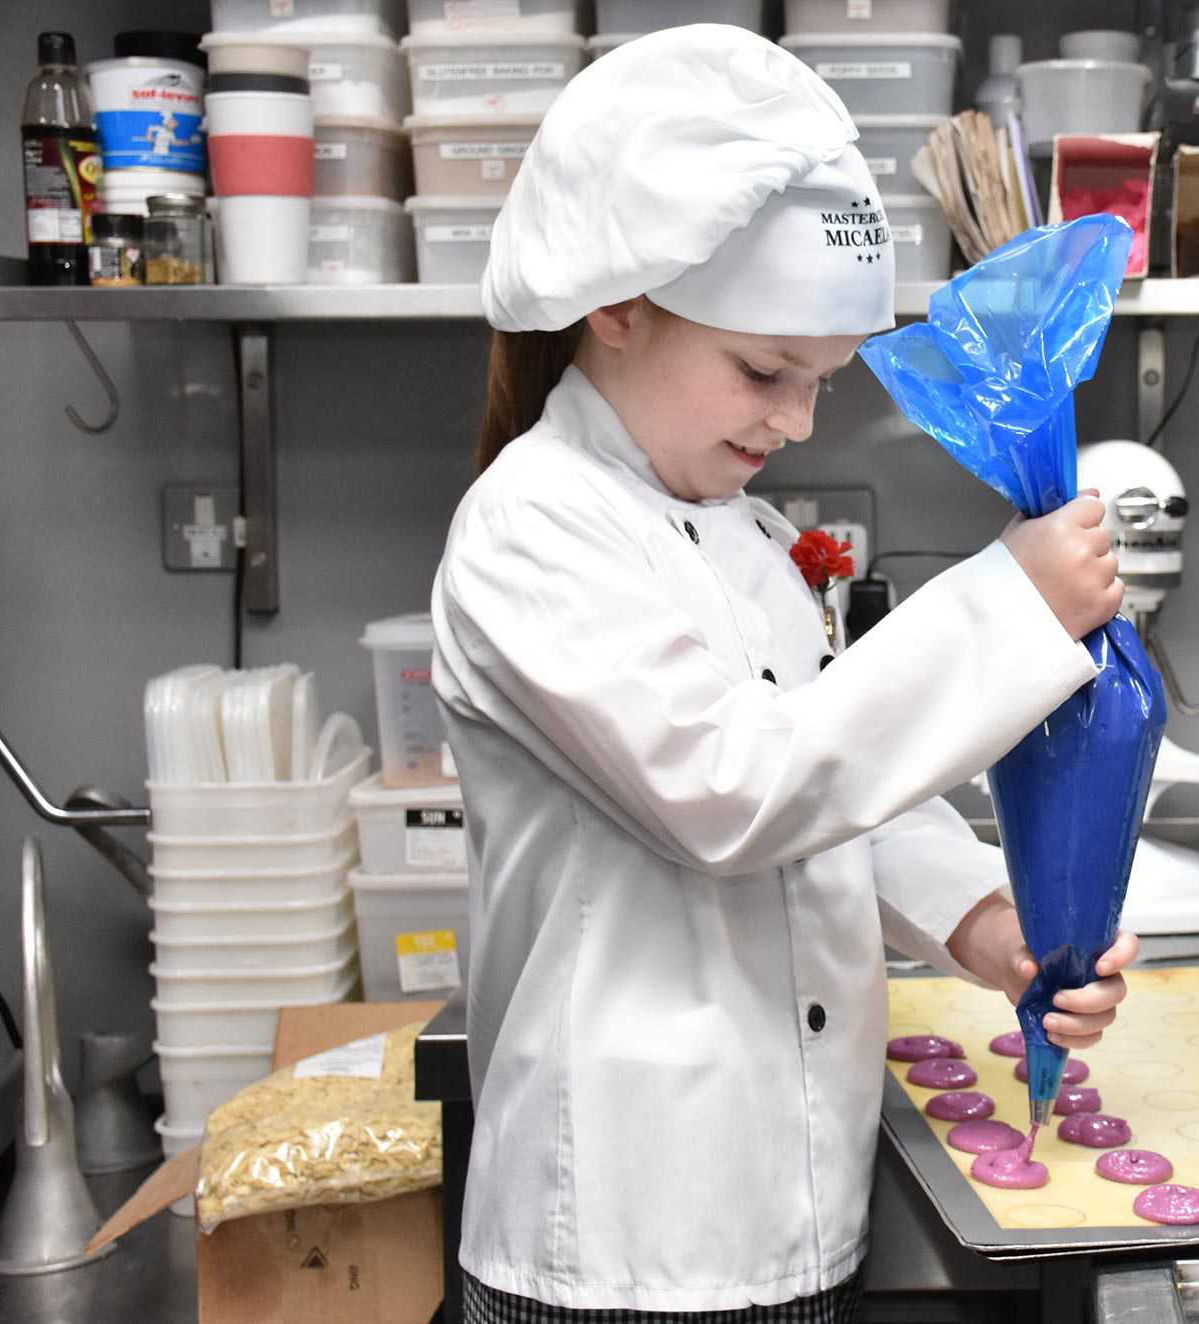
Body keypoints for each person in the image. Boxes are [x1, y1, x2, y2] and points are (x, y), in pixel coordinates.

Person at [430, 25, 1138, 1324]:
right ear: (620, 303)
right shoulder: (531, 529)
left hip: (791, 1212)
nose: (796, 421)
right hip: (623, 1244)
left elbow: (840, 785)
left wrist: (990, 920)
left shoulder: (745, 538)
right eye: (765, 373)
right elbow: (737, 792)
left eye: (817, 381)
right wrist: (1009, 605)